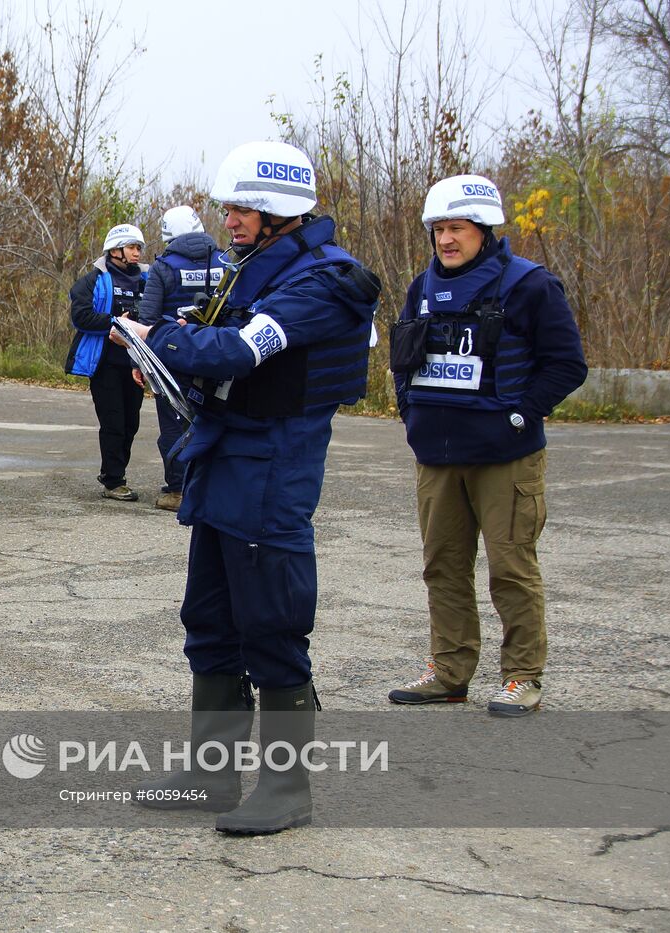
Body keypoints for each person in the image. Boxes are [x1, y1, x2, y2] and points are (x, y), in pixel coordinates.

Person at [119, 141, 381, 833]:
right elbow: (221, 346)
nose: (229, 219)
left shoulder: (321, 280)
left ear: (279, 211)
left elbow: (240, 352)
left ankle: (287, 786)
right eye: (229, 207)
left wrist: (161, 340)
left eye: (243, 208)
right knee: (208, 620)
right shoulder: (256, 269)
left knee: (272, 623)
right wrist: (169, 348)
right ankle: (211, 771)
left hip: (273, 468)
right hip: (228, 456)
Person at [387, 173, 587, 717]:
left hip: (506, 455)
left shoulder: (531, 285)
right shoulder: (422, 286)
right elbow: (403, 359)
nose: (446, 240)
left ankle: (523, 676)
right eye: (438, 230)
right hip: (437, 456)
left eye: (457, 228)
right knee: (443, 567)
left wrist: (521, 415)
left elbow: (567, 364)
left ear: (484, 229)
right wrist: (412, 413)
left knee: (510, 567)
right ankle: (449, 673)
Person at [136, 205, 224, 511]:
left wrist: (139, 363)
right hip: (219, 356)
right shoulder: (226, 260)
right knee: (216, 419)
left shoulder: (163, 267)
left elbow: (147, 319)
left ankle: (177, 490)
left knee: (175, 424)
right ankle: (213, 488)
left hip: (172, 359)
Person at [66, 223, 148, 501]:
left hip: (137, 364)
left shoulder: (147, 280)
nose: (137, 253)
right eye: (133, 247)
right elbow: (81, 317)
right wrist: (116, 323)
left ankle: (116, 472)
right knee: (113, 422)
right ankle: (114, 480)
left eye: (139, 248)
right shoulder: (93, 280)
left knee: (131, 423)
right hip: (105, 365)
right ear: (115, 250)